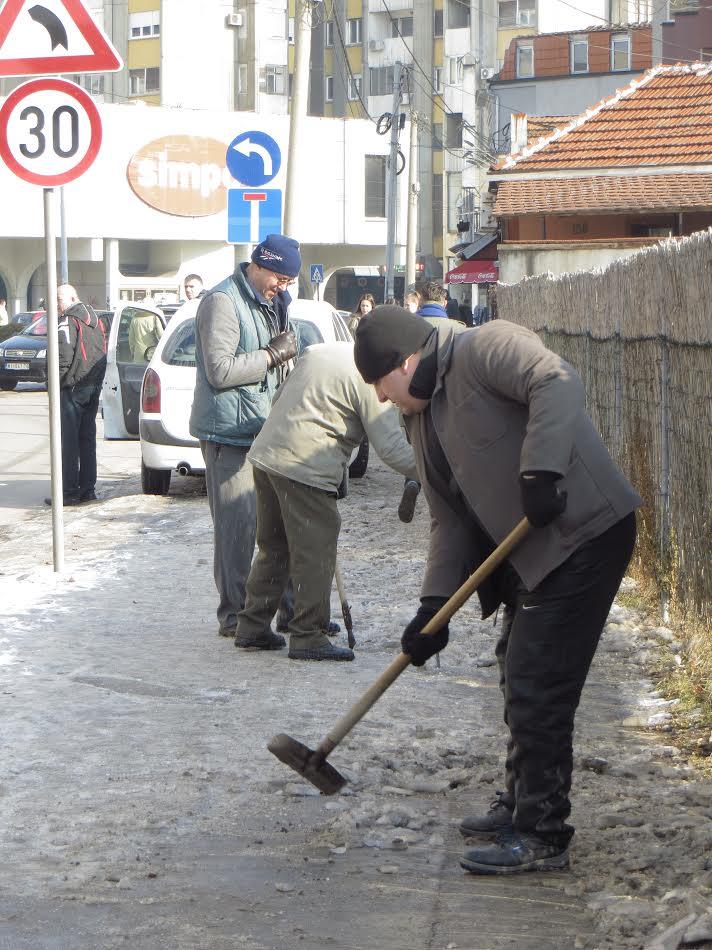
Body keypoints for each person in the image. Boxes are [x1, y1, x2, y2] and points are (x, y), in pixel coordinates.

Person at [354, 306, 640, 875]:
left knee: (538, 678)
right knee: (518, 666)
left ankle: (542, 833)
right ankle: (523, 800)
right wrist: (432, 608)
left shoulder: (484, 348)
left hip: (584, 532)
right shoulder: (421, 419)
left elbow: (556, 380)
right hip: (532, 554)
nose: (381, 400)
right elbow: (448, 522)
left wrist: (541, 471)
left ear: (404, 363)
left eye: (379, 385)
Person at [235, 341, 418, 661]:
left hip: (267, 455)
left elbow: (279, 398)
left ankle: (252, 625)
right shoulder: (372, 376)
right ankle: (308, 634)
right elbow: (390, 447)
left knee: (274, 546)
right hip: (305, 467)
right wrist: (433, 469)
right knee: (316, 548)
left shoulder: (320, 351)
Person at [189, 234, 300, 640]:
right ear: (259, 264)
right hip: (229, 435)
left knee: (280, 526)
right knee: (237, 531)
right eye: (279, 279)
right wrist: (272, 355)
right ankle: (234, 616)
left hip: (264, 429)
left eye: (288, 283)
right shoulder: (223, 301)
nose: (282, 287)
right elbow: (219, 370)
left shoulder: (270, 303)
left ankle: (290, 612)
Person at [45, 284, 107, 506]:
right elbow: (102, 355)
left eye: (58, 300)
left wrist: (55, 385)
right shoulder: (96, 320)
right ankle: (87, 489)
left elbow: (62, 357)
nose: (56, 305)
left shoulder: (68, 321)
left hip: (71, 389)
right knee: (87, 440)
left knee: (68, 443)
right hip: (91, 388)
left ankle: (69, 492)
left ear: (71, 298)